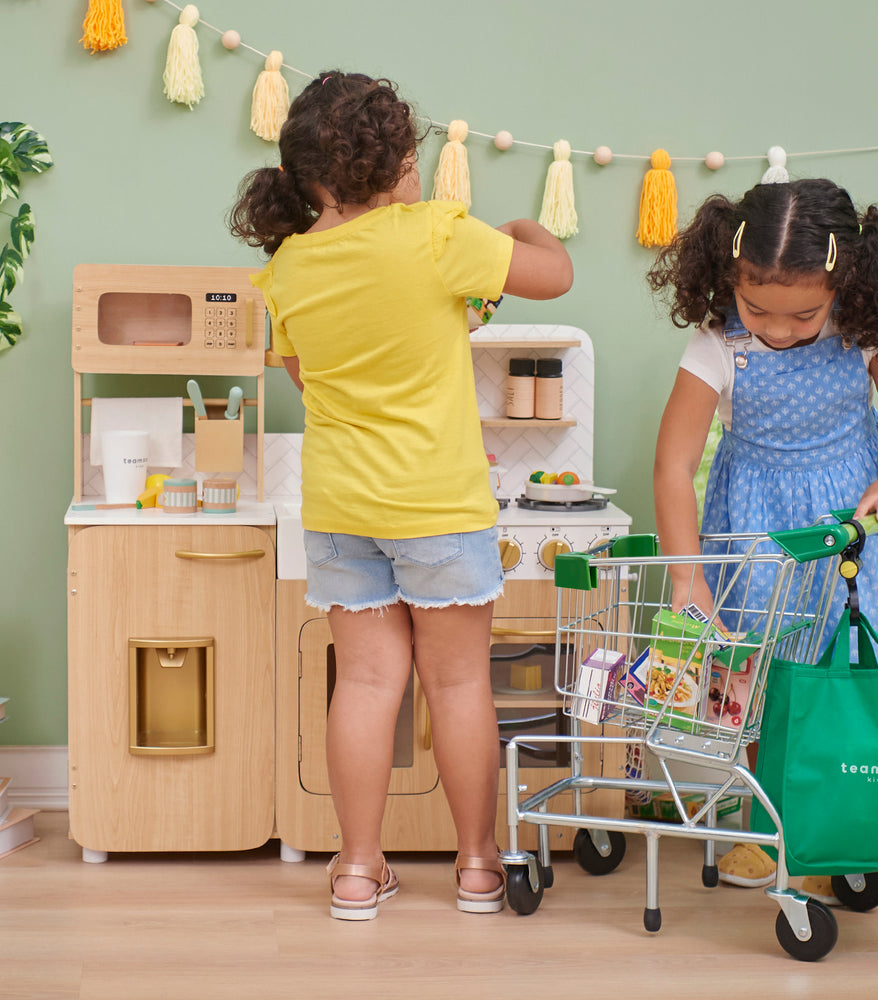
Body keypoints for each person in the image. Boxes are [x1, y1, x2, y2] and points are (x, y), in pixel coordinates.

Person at [230, 70, 573, 920]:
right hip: (438, 506)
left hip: (343, 508)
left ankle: (355, 869)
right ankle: (479, 866)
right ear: (396, 171)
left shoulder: (288, 268)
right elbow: (555, 272)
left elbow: (314, 384)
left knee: (367, 687)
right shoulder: (436, 236)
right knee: (459, 688)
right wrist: (518, 226)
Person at [647, 177, 878, 902]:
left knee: (852, 675)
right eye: (755, 306)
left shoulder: (866, 330)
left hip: (853, 526)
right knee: (769, 676)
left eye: (803, 313)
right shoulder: (716, 347)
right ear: (728, 276)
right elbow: (673, 464)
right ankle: (772, 826)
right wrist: (689, 578)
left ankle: (853, 823)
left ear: (844, 284)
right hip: (763, 530)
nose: (779, 327)